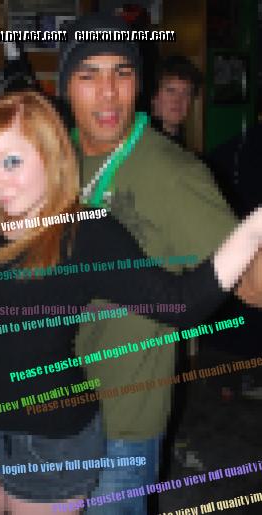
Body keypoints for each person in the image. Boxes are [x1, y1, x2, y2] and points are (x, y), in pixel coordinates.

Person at [0, 91, 262, 515]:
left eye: (11, 162)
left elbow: (181, 303)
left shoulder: (87, 234)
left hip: (50, 443)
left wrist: (252, 230)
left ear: (51, 155)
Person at [57, 13, 262, 515]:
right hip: (47, 413)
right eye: (89, 75)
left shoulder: (175, 174)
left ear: (138, 85)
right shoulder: (53, 159)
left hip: (118, 425)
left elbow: (253, 283)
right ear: (65, 87)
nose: (108, 92)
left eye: (122, 73)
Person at [150, 55, 202, 147]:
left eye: (186, 93)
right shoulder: (143, 142)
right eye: (171, 90)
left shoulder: (179, 142)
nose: (178, 100)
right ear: (155, 97)